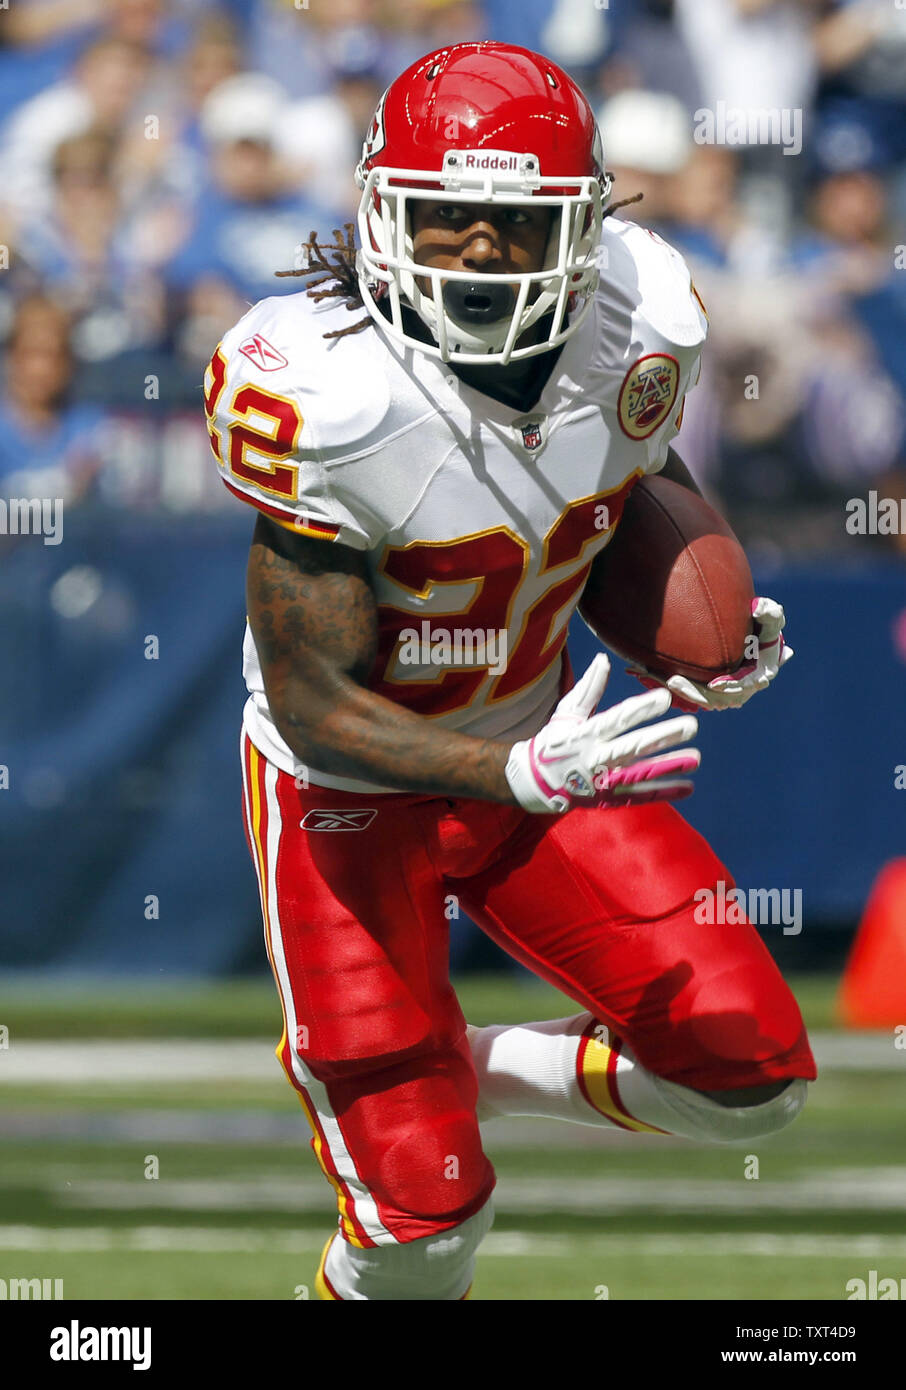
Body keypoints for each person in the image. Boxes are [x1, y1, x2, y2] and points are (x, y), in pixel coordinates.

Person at [205, 42, 815, 1301]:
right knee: (424, 1228)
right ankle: (403, 1081)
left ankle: (453, 1060)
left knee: (751, 1083)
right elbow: (317, 708)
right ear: (381, 212)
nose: (476, 248)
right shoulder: (323, 392)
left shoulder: (641, 317)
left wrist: (695, 629)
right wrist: (512, 767)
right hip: (350, 797)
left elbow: (625, 481)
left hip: (543, 744)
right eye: (443, 216)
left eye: (512, 220)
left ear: (588, 227)